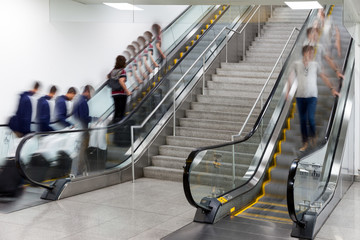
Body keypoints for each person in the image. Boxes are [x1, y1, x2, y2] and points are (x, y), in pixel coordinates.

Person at [287, 45, 339, 151]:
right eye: (309, 52)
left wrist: (332, 88)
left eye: (312, 53)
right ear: (304, 52)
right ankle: (305, 142)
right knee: (302, 120)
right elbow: (290, 77)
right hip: (300, 97)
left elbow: (323, 76)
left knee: (310, 118)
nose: (311, 55)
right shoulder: (296, 64)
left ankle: (313, 134)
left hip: (312, 96)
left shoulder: (315, 64)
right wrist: (288, 92)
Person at [108, 55, 132, 123]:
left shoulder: (112, 71)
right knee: (121, 111)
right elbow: (121, 81)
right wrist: (127, 91)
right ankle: (120, 127)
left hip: (114, 93)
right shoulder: (122, 71)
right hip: (121, 93)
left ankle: (114, 126)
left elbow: (107, 77)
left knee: (116, 110)